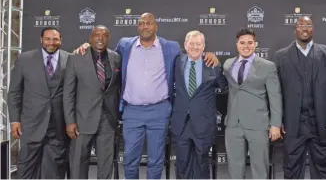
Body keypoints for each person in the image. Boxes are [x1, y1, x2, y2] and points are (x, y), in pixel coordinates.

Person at [74, 12, 218, 179]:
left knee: (156, 160)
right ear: (138, 27)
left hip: (159, 111)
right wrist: (87, 46)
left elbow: (192, 57)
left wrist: (208, 55)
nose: (145, 26)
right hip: (132, 111)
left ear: (156, 26)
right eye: (142, 23)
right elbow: (105, 56)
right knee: (129, 159)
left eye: (149, 23)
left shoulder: (170, 47)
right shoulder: (125, 45)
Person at [273, 16, 326, 179]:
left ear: (313, 29)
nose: (305, 28)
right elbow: (276, 91)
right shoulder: (281, 56)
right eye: (301, 25)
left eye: (308, 25)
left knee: (324, 168)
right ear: (294, 29)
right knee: (291, 169)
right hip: (292, 124)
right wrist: (278, 119)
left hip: (323, 122)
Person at [7, 27, 69, 179]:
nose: (51, 43)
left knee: (54, 172)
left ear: (60, 40)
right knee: (26, 169)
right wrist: (14, 120)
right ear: (41, 40)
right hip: (31, 124)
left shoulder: (70, 59)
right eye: (47, 39)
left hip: (58, 126)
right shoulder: (24, 59)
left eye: (55, 39)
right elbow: (14, 92)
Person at [223, 28, 282, 179]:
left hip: (258, 125)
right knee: (235, 169)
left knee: (259, 169)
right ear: (237, 45)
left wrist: (275, 124)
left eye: (250, 42)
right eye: (242, 43)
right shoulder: (228, 65)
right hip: (233, 125)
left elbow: (275, 96)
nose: (246, 46)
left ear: (255, 44)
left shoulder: (268, 66)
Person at [63, 25, 121, 179]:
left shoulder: (116, 57)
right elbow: (68, 93)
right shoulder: (75, 58)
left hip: (108, 120)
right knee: (78, 165)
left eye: (104, 35)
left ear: (109, 38)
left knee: (106, 166)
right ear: (90, 38)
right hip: (81, 121)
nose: (100, 38)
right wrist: (70, 121)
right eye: (97, 34)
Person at [171, 30, 228, 179]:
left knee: (202, 163)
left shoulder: (212, 64)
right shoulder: (177, 62)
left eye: (198, 44)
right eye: (191, 43)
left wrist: (219, 65)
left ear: (204, 46)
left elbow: (224, 87)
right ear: (185, 45)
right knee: (182, 163)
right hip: (181, 122)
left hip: (203, 123)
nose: (195, 47)